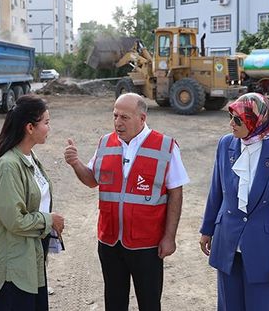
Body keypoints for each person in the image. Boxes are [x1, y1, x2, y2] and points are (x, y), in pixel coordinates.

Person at [64, 92, 189, 311]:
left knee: (149, 303)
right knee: (114, 301)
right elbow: (92, 180)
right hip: (110, 242)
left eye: (124, 117)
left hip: (147, 244)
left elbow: (176, 194)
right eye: (115, 116)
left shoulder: (165, 147)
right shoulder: (105, 143)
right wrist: (76, 164)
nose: (117, 123)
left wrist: (169, 237)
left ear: (142, 118)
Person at [199, 92, 269, 311]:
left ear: (258, 120)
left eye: (238, 119)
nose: (231, 124)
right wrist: (207, 230)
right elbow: (216, 190)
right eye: (231, 117)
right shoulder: (226, 144)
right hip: (227, 242)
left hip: (264, 249)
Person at [0, 95, 64, 311]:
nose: (49, 127)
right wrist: (49, 219)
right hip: (14, 264)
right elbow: (14, 220)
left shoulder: (29, 157)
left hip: (31, 256)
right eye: (46, 122)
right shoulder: (8, 166)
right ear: (29, 127)